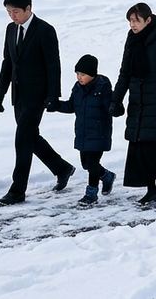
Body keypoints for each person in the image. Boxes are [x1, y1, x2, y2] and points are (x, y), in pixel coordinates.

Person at [0, 0, 75, 206]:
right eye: (9, 12)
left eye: (15, 11)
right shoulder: (11, 29)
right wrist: (0, 93)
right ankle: (62, 168)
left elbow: (53, 65)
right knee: (30, 137)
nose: (12, 16)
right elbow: (8, 63)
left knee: (22, 140)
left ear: (28, 8)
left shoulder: (45, 30)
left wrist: (53, 96)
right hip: (18, 95)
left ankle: (17, 190)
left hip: (37, 96)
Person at [110, 3, 156, 205]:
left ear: (148, 20)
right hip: (137, 102)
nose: (132, 25)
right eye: (130, 21)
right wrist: (116, 99)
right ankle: (152, 190)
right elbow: (125, 72)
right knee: (139, 149)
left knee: (153, 147)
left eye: (136, 21)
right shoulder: (131, 40)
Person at [48, 54, 115, 206]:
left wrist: (115, 107)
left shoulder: (103, 87)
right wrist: (56, 105)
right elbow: (71, 106)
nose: (79, 77)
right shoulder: (77, 88)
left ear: (92, 74)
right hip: (83, 133)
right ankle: (107, 176)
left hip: (99, 132)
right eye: (77, 74)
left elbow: (110, 107)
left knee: (92, 164)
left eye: (83, 74)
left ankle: (91, 194)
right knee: (86, 164)